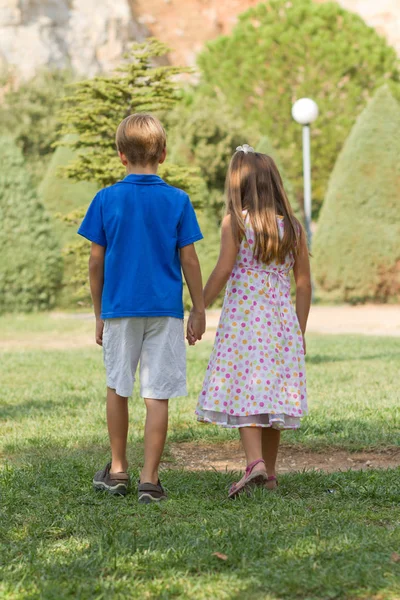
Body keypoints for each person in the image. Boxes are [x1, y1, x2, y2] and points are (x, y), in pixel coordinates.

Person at [78, 113, 205, 503]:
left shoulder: (105, 199)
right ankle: (150, 480)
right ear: (163, 154)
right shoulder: (178, 200)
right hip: (165, 311)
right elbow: (190, 260)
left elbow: (95, 261)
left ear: (121, 156)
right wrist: (198, 308)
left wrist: (98, 312)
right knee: (157, 394)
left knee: (118, 387)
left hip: (119, 309)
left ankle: (118, 471)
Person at [194, 144, 311, 498]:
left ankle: (254, 464)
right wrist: (300, 331)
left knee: (246, 390)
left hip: (245, 322)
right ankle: (270, 474)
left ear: (238, 187)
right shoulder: (292, 227)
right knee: (271, 397)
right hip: (281, 325)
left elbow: (223, 270)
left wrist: (199, 307)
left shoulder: (236, 222)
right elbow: (303, 283)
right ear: (274, 183)